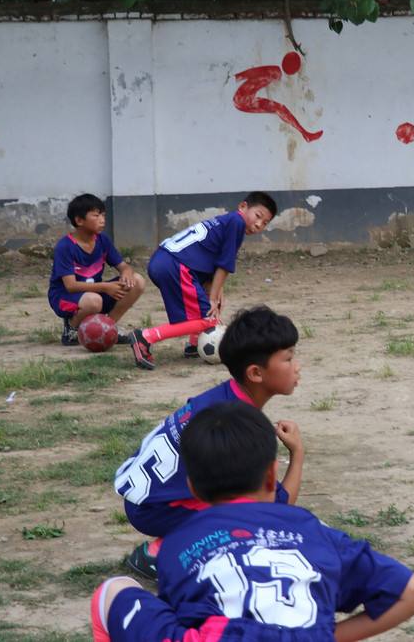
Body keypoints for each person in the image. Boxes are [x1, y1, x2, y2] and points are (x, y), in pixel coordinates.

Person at [93, 401, 414, 642]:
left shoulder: (175, 544)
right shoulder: (318, 534)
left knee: (114, 591)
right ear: (272, 475)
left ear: (193, 486)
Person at [116, 306, 303, 580]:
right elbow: (277, 506)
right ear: (255, 373)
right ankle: (162, 552)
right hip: (158, 510)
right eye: (288, 359)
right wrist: (297, 452)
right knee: (253, 521)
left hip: (146, 499)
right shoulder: (240, 428)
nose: (297, 366)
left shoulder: (220, 400)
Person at [130, 191, 278, 369]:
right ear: (243, 206)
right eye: (258, 216)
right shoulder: (237, 222)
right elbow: (224, 265)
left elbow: (214, 260)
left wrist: (216, 292)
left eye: (264, 223)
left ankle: (194, 344)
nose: (258, 224)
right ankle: (146, 336)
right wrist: (213, 298)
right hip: (176, 265)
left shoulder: (228, 220)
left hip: (165, 260)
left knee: (210, 307)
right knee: (209, 318)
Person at [48, 194, 145, 346]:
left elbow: (123, 266)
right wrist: (106, 287)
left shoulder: (102, 240)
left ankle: (107, 327)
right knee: (94, 301)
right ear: (79, 220)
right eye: (96, 215)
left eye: (103, 215)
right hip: (65, 298)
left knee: (137, 281)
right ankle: (72, 330)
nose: (102, 219)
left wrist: (126, 273)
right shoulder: (65, 246)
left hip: (95, 293)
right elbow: (70, 286)